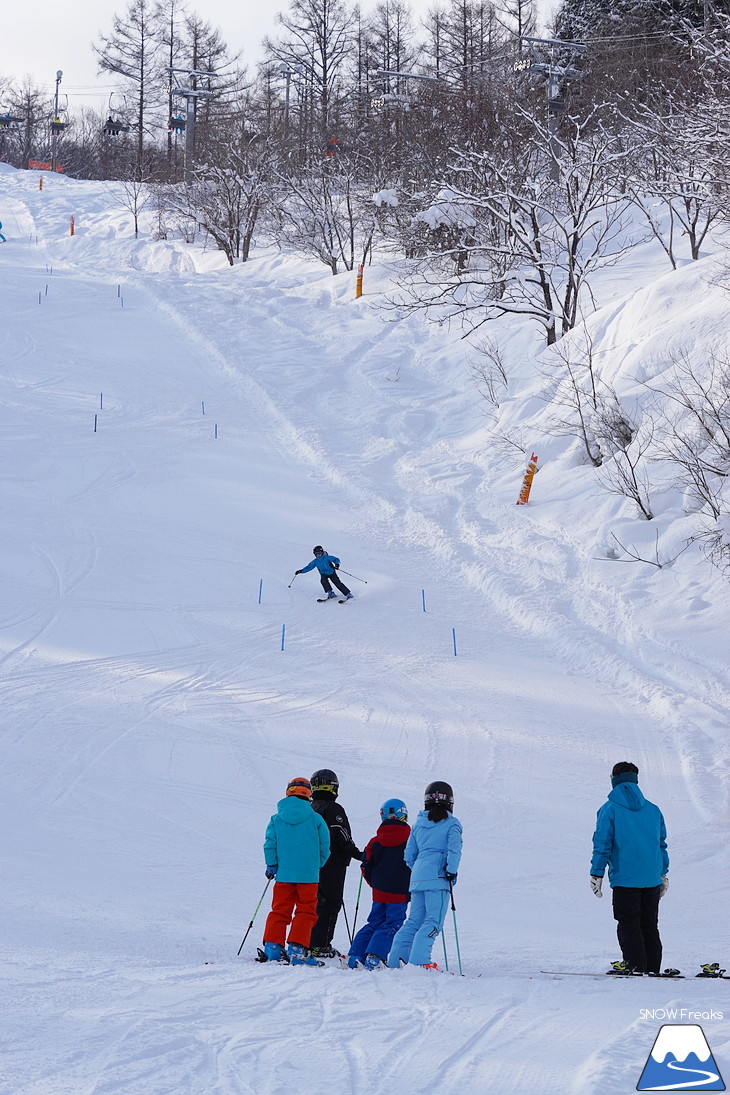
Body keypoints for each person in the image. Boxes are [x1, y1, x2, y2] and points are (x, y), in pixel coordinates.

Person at [590, 761, 669, 975]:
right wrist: (663, 873)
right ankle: (652, 969)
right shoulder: (653, 810)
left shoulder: (608, 810)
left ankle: (635, 967)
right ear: (635, 780)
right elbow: (660, 844)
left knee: (628, 924)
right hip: (651, 878)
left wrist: (596, 873)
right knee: (649, 924)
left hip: (625, 879)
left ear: (613, 779)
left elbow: (602, 844)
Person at [387, 781, 463, 969]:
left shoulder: (419, 823)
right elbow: (455, 850)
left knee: (413, 921)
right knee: (433, 922)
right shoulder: (452, 824)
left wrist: (420, 870)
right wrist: (450, 872)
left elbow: (409, 855)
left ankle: (396, 960)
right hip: (438, 879)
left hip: (418, 878)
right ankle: (420, 962)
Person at [261, 776, 331, 966]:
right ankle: (298, 948)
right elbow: (325, 846)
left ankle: (273, 947)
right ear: (309, 794)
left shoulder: (276, 819)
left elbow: (270, 844)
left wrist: (272, 865)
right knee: (306, 910)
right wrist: (317, 865)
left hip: (284, 874)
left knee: (280, 909)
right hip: (308, 875)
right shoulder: (316, 819)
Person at [348, 798, 411, 969]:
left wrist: (374, 884)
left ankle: (355, 956)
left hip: (380, 891)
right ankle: (375, 957)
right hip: (399, 891)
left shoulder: (375, 841)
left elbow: (366, 864)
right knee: (392, 923)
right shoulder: (411, 839)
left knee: (374, 922)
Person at [308, 769, 363, 957]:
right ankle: (320, 944)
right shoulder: (333, 808)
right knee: (330, 903)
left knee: (314, 902)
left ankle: (306, 941)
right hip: (332, 863)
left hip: (310, 863)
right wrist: (359, 855)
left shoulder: (309, 808)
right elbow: (341, 835)